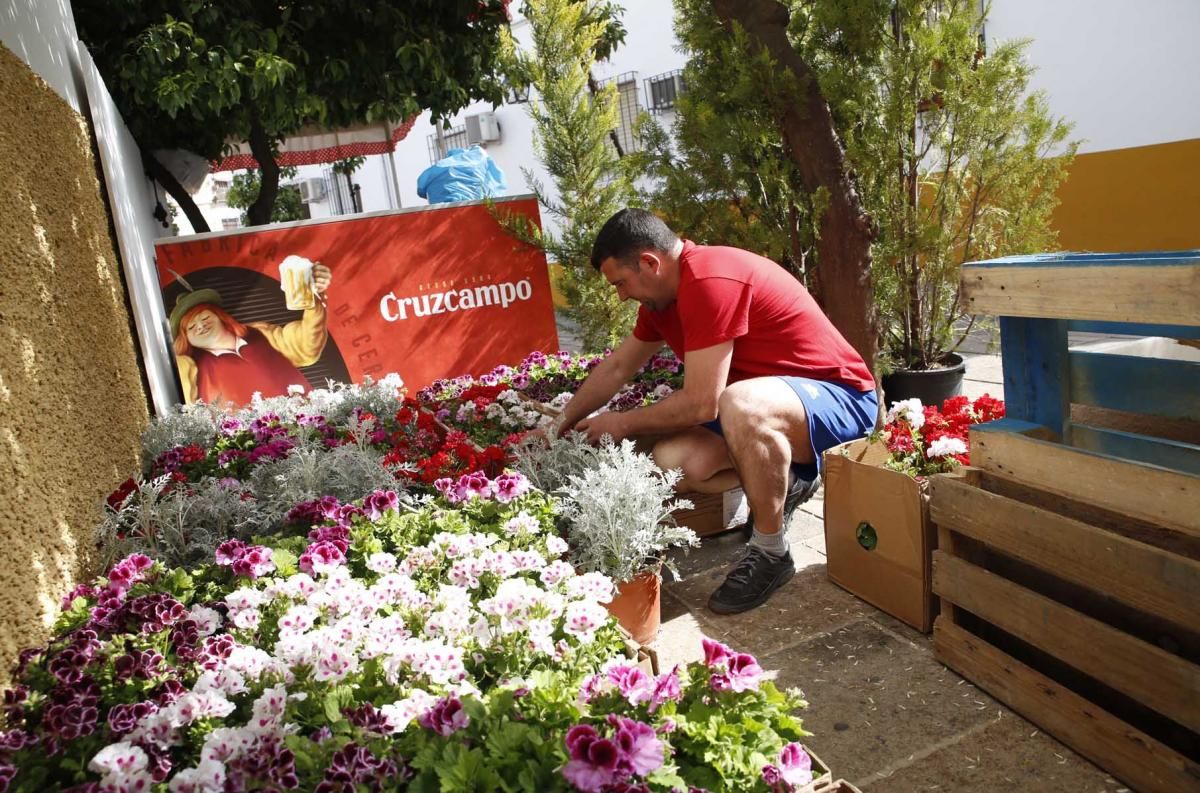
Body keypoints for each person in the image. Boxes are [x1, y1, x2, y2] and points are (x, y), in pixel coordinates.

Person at [555, 209, 877, 614]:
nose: (621, 294)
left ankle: (771, 552)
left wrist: (620, 423)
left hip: (839, 396)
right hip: (769, 410)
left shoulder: (709, 279)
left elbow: (701, 403)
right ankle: (790, 478)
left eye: (621, 282)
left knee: (736, 402)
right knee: (676, 461)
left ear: (651, 263)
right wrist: (560, 423)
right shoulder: (662, 302)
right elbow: (619, 367)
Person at [171, 263, 333, 406]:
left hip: (308, 429)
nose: (200, 326)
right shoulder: (191, 368)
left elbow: (306, 346)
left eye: (205, 317)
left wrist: (313, 297)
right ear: (187, 339)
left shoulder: (260, 334)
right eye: (191, 327)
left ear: (220, 316)